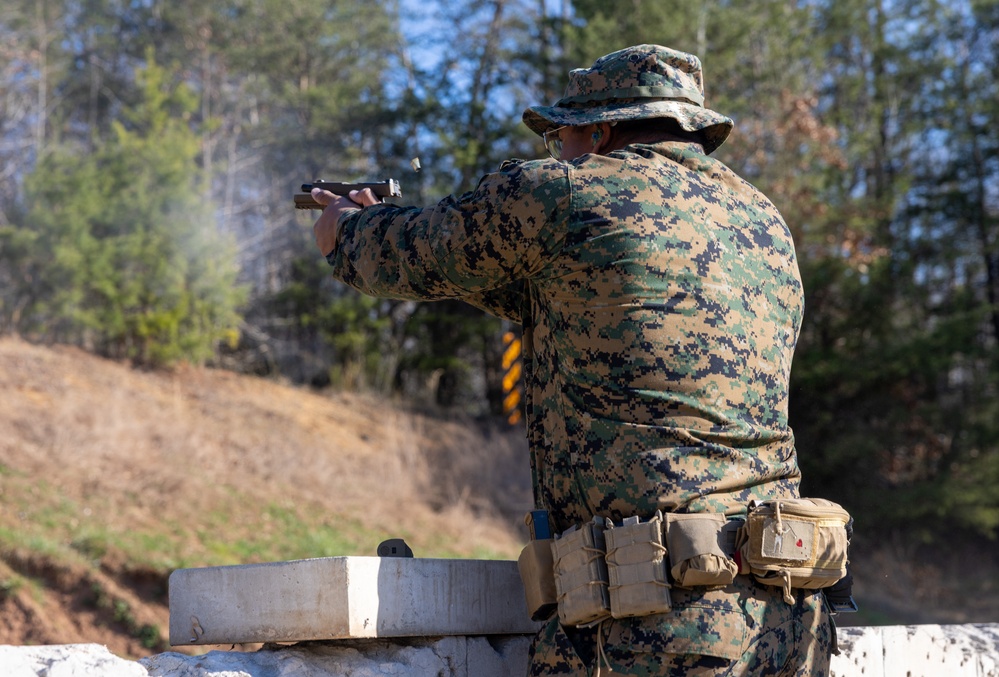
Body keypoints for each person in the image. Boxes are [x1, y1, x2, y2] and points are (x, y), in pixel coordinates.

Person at [312, 44, 833, 676]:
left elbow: (415, 254)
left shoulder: (565, 193)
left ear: (600, 130)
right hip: (787, 620)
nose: (557, 150)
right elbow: (568, 297)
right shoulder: (763, 222)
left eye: (562, 136)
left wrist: (348, 231)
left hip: (654, 629)